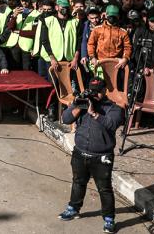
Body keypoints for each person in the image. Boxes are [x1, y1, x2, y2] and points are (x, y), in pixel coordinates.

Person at [59, 78, 124, 233]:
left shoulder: (113, 109)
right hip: (80, 152)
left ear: (104, 91)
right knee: (78, 182)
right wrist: (76, 106)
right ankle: (73, 208)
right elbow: (66, 119)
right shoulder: (83, 103)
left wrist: (94, 113)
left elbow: (112, 124)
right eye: (92, 91)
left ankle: (109, 219)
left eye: (97, 92)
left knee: (104, 189)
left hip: (101, 157)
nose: (94, 94)